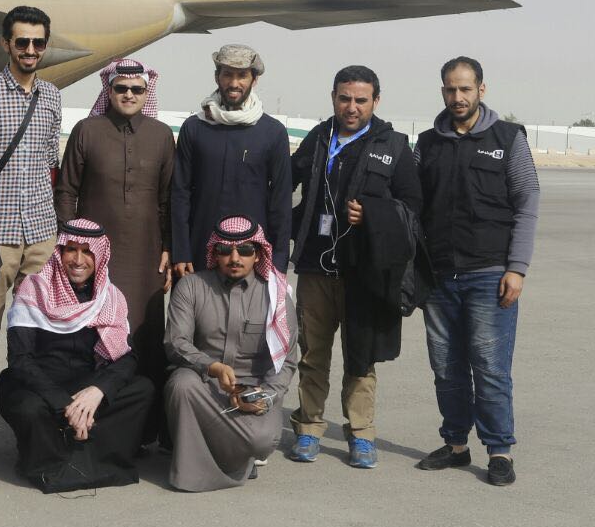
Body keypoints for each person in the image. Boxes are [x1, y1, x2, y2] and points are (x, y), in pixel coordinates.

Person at [286, 65, 421, 469]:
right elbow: (283, 182)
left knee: (361, 357)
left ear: (375, 101)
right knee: (312, 352)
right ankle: (309, 427)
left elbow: (413, 207)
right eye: (344, 98)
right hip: (315, 267)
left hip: (364, 273)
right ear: (333, 98)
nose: (352, 107)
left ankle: (362, 434)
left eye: (361, 100)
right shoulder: (318, 138)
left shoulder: (394, 146)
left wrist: (374, 214)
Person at [413, 57, 539, 486]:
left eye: (465, 89)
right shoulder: (427, 143)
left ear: (482, 90)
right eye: (450, 90)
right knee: (446, 366)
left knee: (489, 365)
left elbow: (527, 205)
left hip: (490, 273)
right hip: (439, 277)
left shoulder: (508, 139)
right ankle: (455, 445)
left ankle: (499, 450)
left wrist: (517, 269)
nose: (457, 97)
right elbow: (410, 203)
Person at [56, 58, 174, 448]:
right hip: (93, 260)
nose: (128, 95)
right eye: (121, 88)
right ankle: (87, 423)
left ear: (146, 93)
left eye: (136, 89)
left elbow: (166, 200)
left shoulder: (160, 135)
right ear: (108, 90)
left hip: (144, 259)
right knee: (94, 339)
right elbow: (67, 191)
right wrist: (72, 248)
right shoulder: (87, 131)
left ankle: (142, 431)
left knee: (142, 337)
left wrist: (167, 249)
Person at [0, 6, 63, 460]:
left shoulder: (53, 97)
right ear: (6, 44)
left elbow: (47, 159)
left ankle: (35, 422)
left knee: (44, 333)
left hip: (41, 233)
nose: (29, 50)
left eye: (38, 42)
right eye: (21, 42)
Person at [0, 219, 154, 492]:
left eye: (87, 251)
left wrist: (98, 391)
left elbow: (125, 358)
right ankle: (51, 457)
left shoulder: (109, 297)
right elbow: (21, 360)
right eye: (71, 250)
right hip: (41, 387)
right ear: (60, 251)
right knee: (25, 406)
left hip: (86, 386)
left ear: (99, 255)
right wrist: (64, 404)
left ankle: (90, 452)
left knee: (143, 389)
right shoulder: (34, 289)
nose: (78, 260)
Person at [164, 216, 296, 492]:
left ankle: (229, 453)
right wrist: (212, 367)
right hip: (206, 384)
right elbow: (176, 342)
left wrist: (265, 397)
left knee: (262, 442)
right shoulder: (191, 287)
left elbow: (285, 362)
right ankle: (197, 471)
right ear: (215, 252)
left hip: (253, 388)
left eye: (245, 250)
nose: (235, 258)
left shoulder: (276, 295)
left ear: (258, 253)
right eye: (225, 250)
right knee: (181, 384)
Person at [171, 44, 291, 283]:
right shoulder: (195, 128)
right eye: (227, 74)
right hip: (198, 251)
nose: (234, 83)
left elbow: (280, 202)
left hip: (251, 255)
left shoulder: (272, 132)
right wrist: (181, 251)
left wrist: (278, 261)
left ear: (254, 80)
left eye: (242, 75)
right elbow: (180, 193)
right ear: (217, 77)